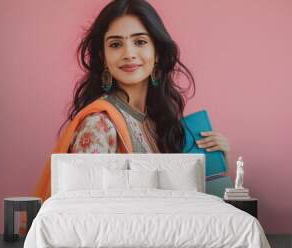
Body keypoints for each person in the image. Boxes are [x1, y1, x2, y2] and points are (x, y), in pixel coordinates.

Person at [34, 0, 231, 201]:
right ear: (103, 57)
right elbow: (85, 215)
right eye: (116, 44)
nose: (128, 54)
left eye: (140, 42)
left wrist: (220, 161)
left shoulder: (158, 124)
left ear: (157, 53)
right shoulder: (99, 125)